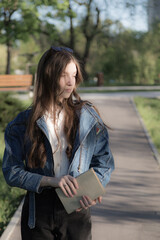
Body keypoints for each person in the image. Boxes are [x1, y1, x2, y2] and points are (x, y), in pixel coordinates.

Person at [2, 46, 114, 240]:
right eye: (64, 75)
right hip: (38, 211)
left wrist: (95, 187)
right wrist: (51, 181)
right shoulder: (21, 124)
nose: (71, 82)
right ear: (48, 76)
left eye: (74, 74)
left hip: (77, 205)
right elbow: (11, 171)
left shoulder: (87, 118)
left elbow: (104, 161)